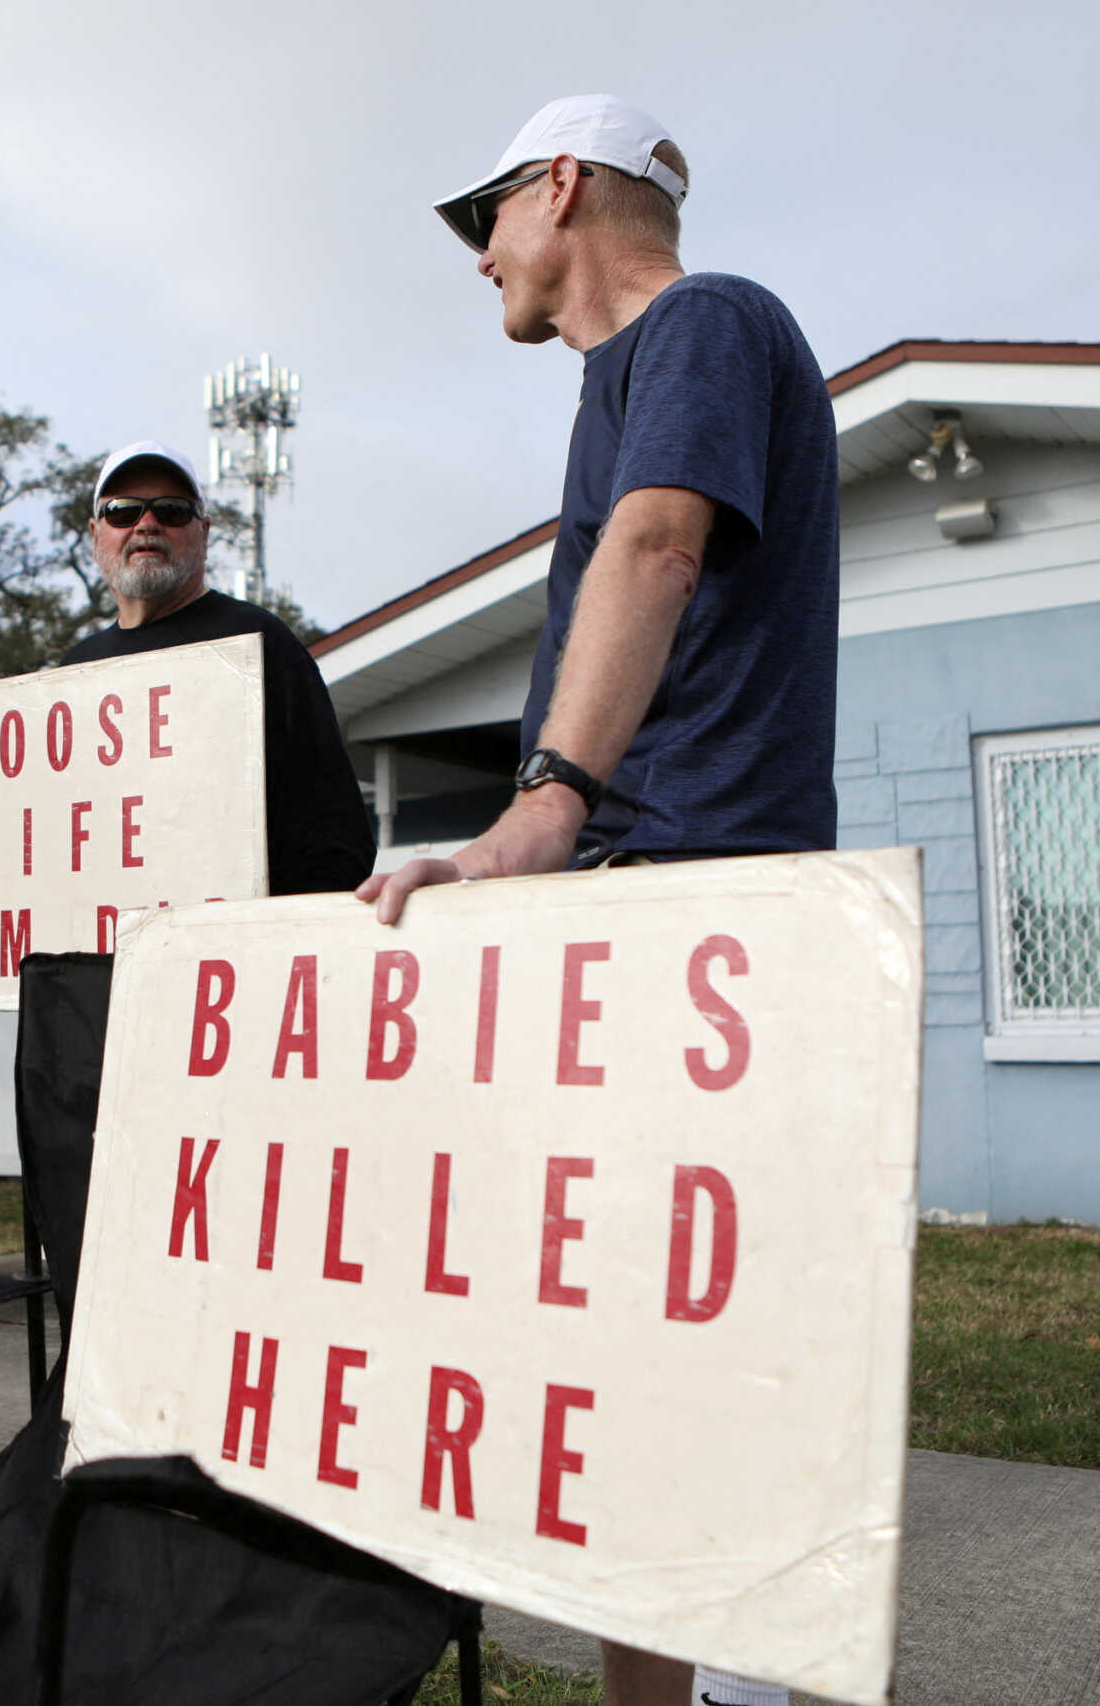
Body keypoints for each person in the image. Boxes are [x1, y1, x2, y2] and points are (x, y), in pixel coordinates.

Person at [367, 95, 841, 1706]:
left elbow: (654, 546)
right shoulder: (609, 387)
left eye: (484, 213)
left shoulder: (708, 322)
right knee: (618, 1356)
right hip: (643, 899)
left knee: (708, 1359)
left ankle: (757, 1682)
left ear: (561, 186)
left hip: (697, 895)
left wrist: (540, 807)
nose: (478, 253)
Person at [0, 440, 374, 1011]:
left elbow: (337, 841)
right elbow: (33, 852)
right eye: (123, 512)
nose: (146, 524)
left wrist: (262, 957)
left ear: (204, 531)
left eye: (171, 511)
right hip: (88, 1019)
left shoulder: (261, 647)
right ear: (96, 535)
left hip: (224, 1004)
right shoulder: (72, 675)